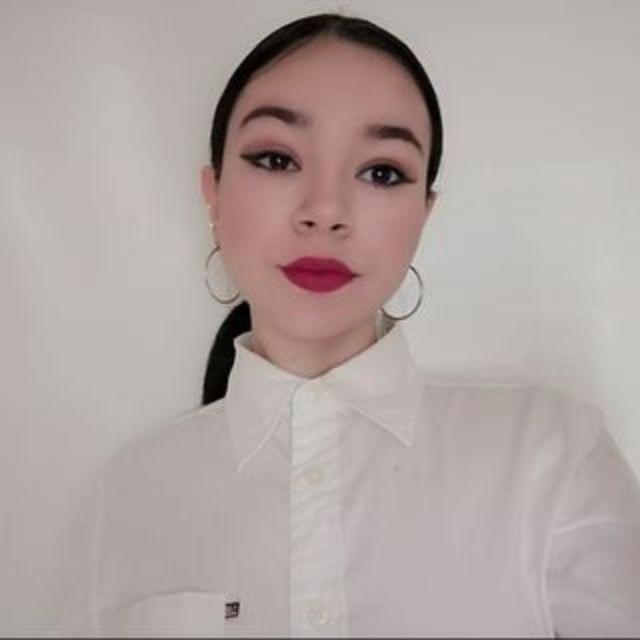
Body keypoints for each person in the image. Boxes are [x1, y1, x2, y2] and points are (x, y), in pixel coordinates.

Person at [69, 11, 640, 637]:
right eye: (276, 159)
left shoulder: (550, 457)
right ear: (214, 192)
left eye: (381, 172)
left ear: (423, 213)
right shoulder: (127, 498)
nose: (325, 211)